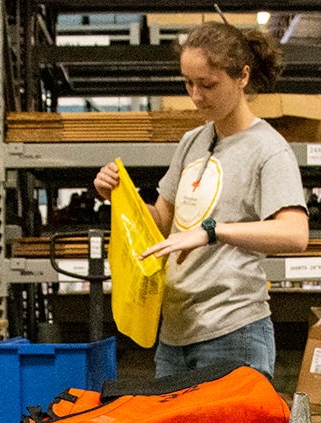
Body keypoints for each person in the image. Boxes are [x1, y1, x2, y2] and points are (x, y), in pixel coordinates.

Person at [93, 21, 308, 380]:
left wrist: (212, 232)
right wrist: (117, 197)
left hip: (233, 332)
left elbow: (295, 234)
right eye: (188, 83)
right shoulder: (192, 141)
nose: (195, 96)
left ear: (242, 76)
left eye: (207, 85)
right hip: (175, 333)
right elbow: (162, 220)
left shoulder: (268, 149)